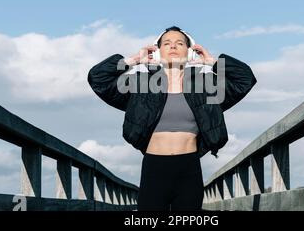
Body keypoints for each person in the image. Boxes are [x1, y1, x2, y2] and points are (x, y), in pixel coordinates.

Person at [88, 26, 257, 211]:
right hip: (154, 168)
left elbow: (245, 79)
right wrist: (134, 60)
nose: (173, 46)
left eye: (180, 43)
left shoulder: (206, 86)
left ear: (190, 52)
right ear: (158, 52)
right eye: (167, 43)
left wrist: (212, 62)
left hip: (189, 169)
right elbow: (98, 78)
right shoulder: (141, 85)